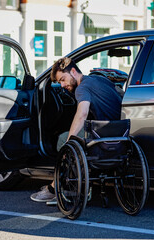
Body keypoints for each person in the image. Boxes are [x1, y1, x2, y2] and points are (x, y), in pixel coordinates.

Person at [30, 57, 122, 204]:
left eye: (63, 79)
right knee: (75, 137)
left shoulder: (82, 88)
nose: (62, 85)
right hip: (119, 134)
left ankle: (63, 188)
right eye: (59, 82)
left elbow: (82, 114)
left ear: (73, 71)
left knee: (63, 140)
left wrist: (69, 141)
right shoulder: (101, 80)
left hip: (101, 137)